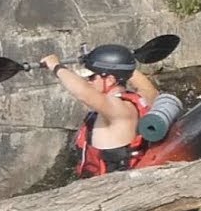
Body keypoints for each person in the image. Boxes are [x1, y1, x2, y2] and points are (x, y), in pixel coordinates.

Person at [41, 44, 158, 178]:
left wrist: (56, 66)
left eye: (91, 77)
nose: (88, 82)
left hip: (109, 188)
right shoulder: (144, 97)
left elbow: (84, 93)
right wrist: (118, 58)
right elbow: (147, 87)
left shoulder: (119, 109)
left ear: (109, 80)